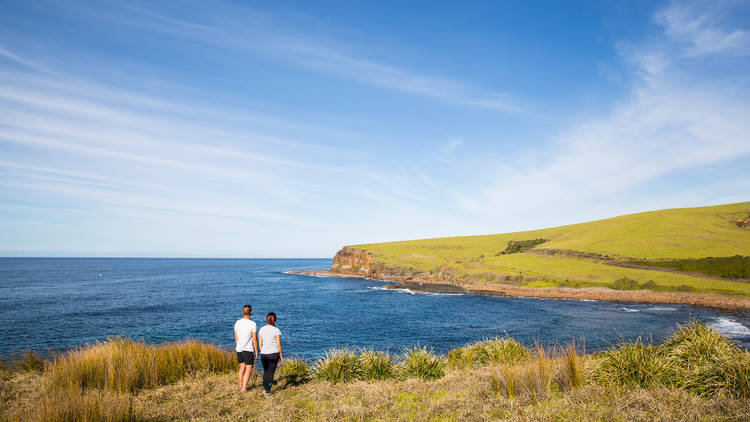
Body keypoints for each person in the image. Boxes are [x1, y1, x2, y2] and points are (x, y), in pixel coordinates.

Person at [234, 304, 258, 392]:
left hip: (239, 348)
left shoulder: (237, 323)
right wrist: (256, 350)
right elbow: (254, 339)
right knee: (249, 368)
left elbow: (236, 337)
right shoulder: (252, 324)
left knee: (242, 367)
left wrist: (238, 346)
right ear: (251, 313)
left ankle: (240, 386)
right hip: (248, 349)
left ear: (242, 312)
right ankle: (243, 388)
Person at [258, 311, 282, 396]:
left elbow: (260, 343)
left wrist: (262, 350)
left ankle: (265, 387)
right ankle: (267, 390)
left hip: (264, 353)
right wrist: (281, 354)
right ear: (275, 320)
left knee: (266, 371)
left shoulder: (262, 329)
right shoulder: (277, 330)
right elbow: (278, 344)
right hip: (273, 353)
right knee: (271, 372)